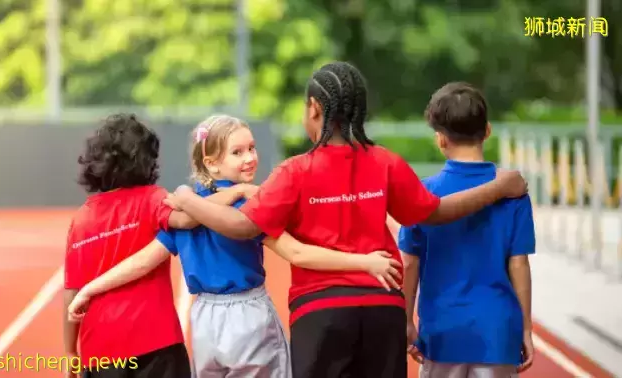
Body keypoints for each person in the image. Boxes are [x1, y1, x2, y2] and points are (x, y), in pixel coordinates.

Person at [160, 62, 528, 378]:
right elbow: (436, 212)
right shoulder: (385, 162)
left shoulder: (295, 171)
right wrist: (498, 188)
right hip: (383, 309)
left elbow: (241, 226)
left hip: (321, 314)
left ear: (314, 108)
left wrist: (189, 198)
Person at [67, 114, 402, 378]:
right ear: (212, 162)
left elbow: (143, 261)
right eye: (238, 152)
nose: (250, 158)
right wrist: (364, 261)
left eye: (252, 148)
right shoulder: (247, 207)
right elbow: (297, 252)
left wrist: (88, 289)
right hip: (249, 315)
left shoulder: (184, 210)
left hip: (204, 322)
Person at [64, 114, 248, 378]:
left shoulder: (81, 218)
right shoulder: (153, 199)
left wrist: (70, 351)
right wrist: (236, 192)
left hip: (100, 349)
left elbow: (71, 291)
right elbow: (188, 218)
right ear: (146, 158)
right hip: (156, 342)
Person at [398, 82, 535, 378]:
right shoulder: (514, 191)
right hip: (497, 331)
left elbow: (409, 263)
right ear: (487, 131)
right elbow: (519, 264)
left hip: (442, 329)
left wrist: (407, 319)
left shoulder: (424, 192)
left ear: (440, 139)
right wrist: (525, 328)